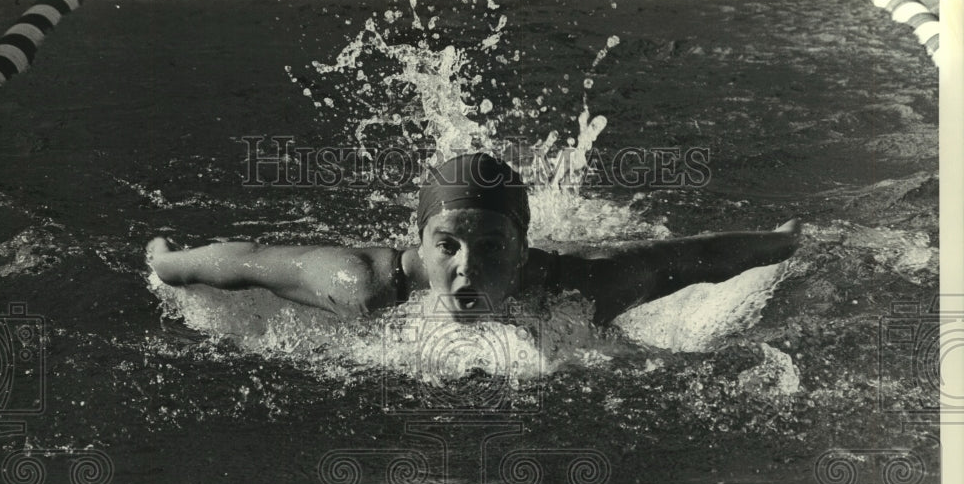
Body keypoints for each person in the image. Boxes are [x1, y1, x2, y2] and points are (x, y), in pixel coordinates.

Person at [147, 152, 800, 325]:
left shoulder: (575, 286)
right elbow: (249, 262)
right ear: (418, 242)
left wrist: (784, 242)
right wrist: (167, 262)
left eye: (490, 248)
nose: (466, 267)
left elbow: (689, 259)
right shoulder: (364, 283)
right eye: (448, 246)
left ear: (522, 248)